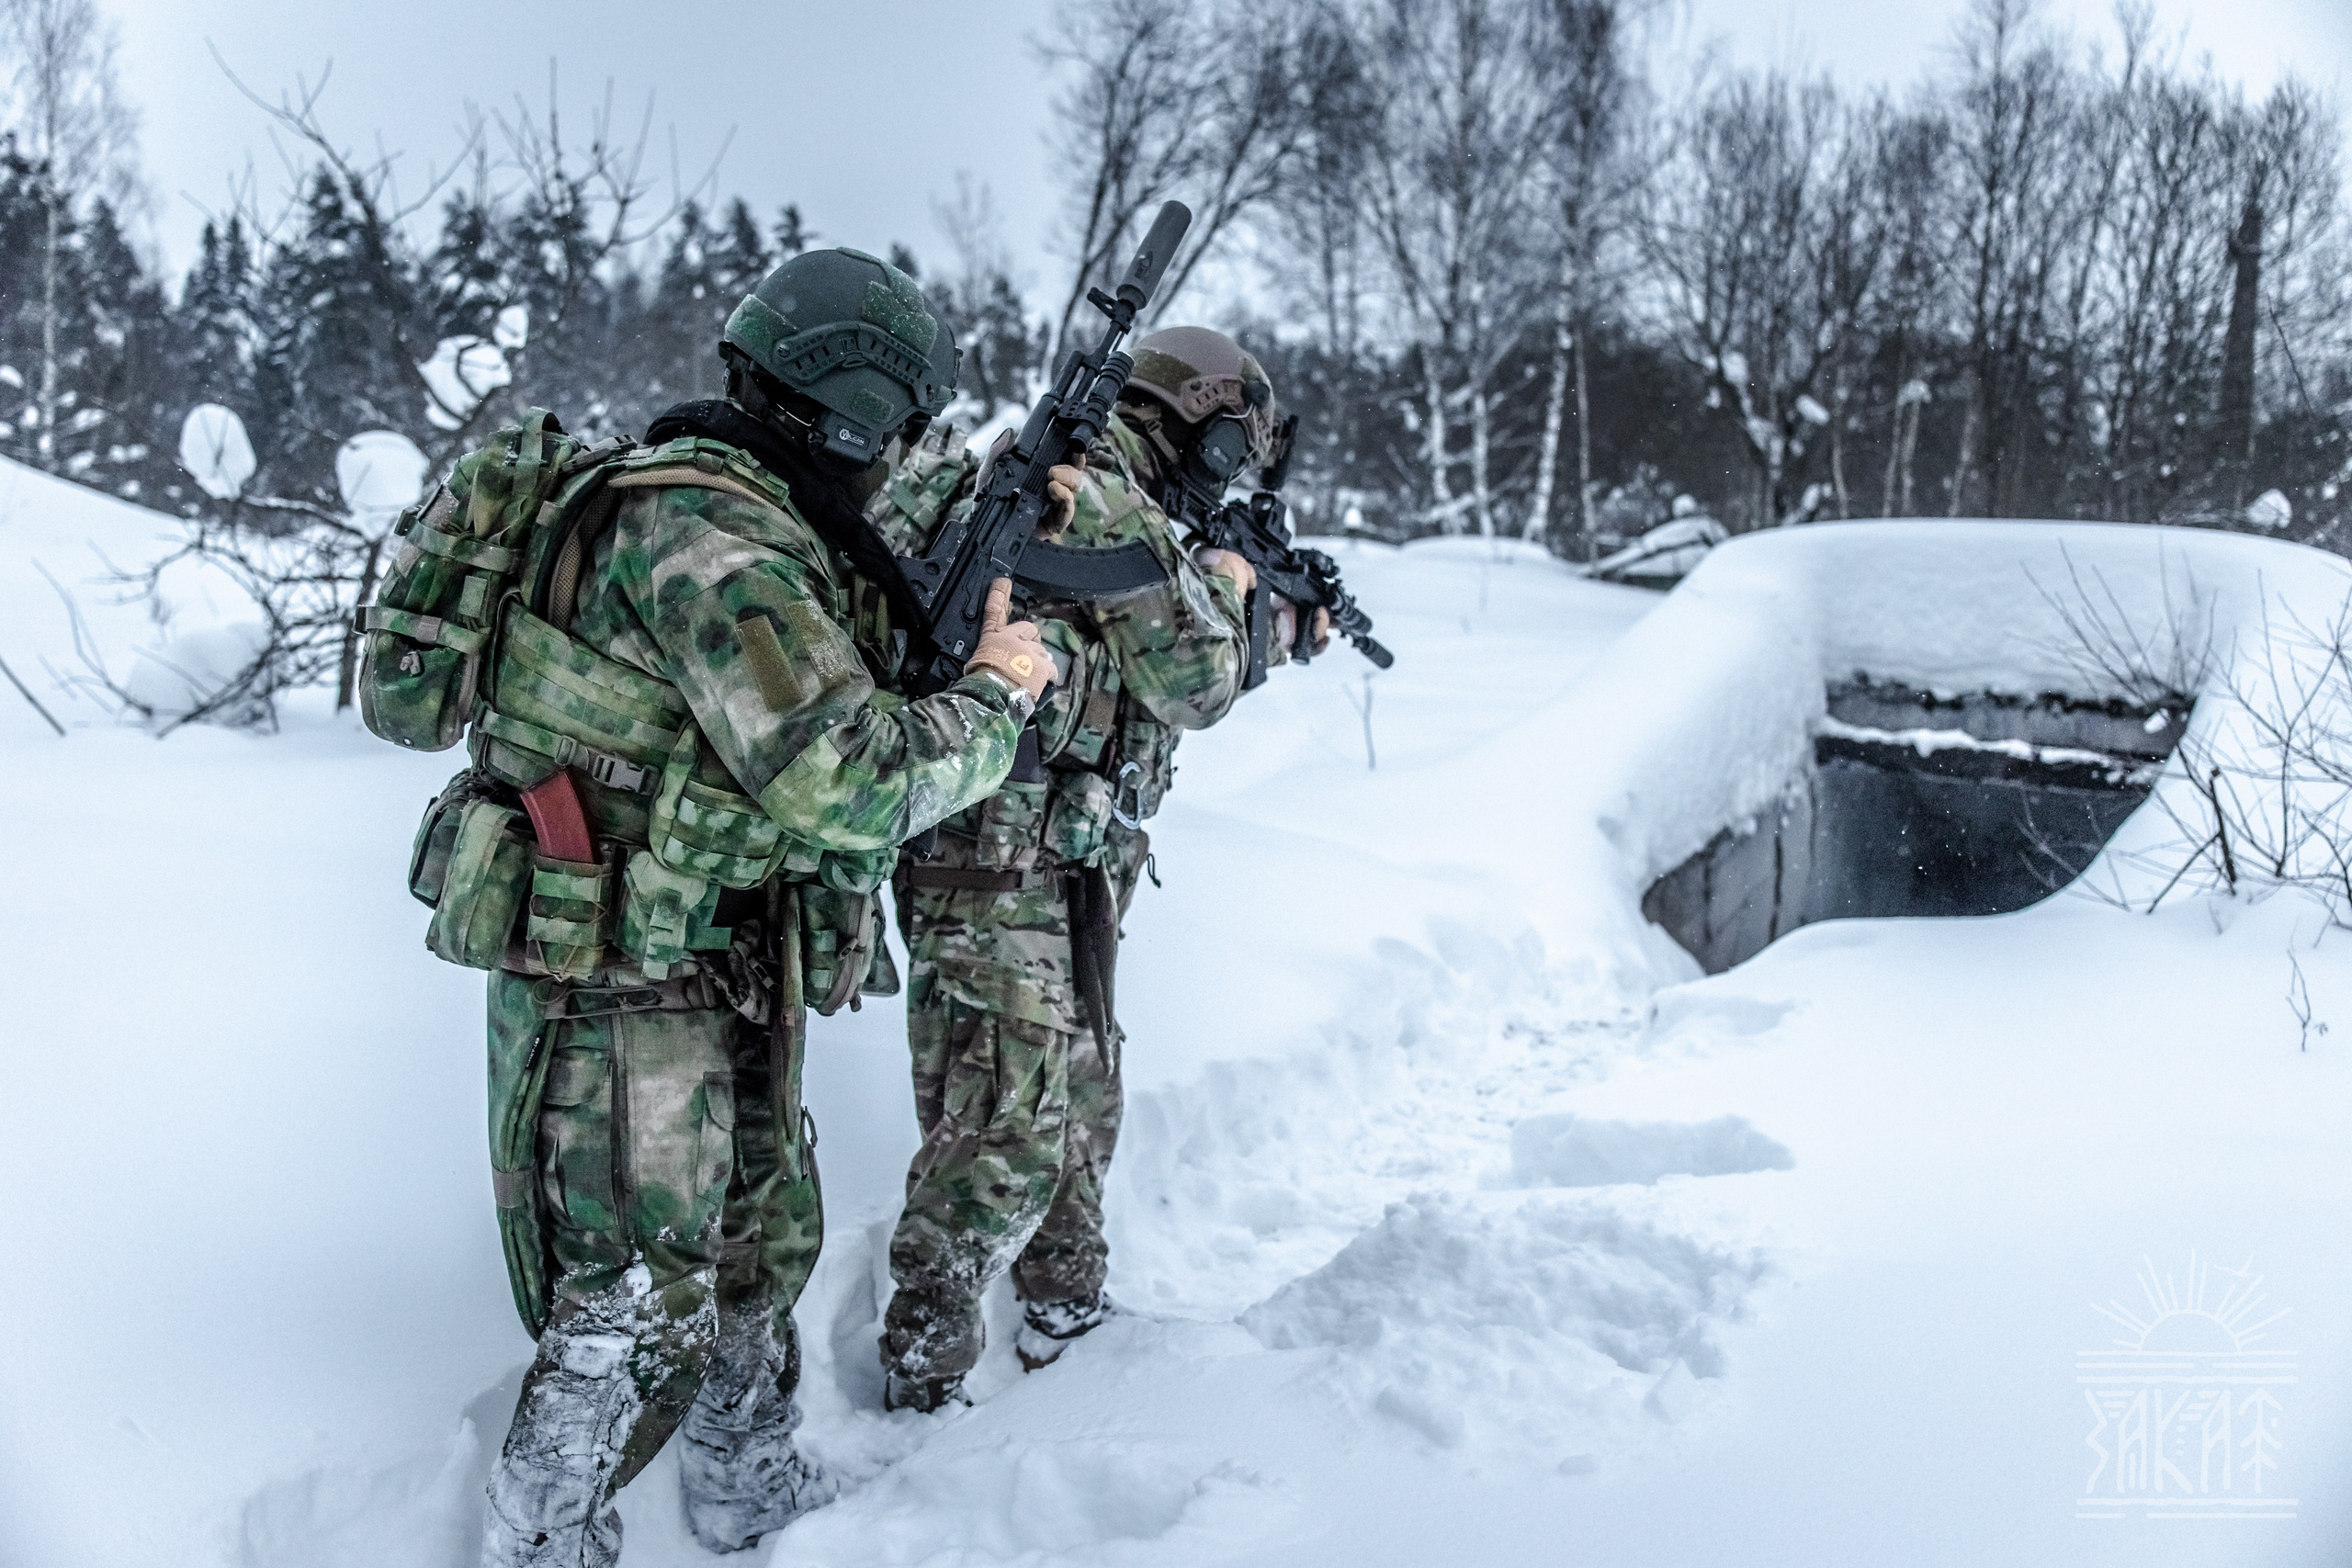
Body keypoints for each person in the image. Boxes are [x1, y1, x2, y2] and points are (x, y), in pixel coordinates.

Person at [435, 248, 1053, 1566]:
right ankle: (540, 1542)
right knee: (629, 1298)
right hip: (621, 978)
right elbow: (845, 775)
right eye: (900, 429)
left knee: (755, 1252)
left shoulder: (760, 520)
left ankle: (743, 1492)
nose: (897, 455)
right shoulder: (710, 540)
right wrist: (998, 693)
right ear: (853, 410)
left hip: (715, 956)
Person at [865, 325, 1324, 1413]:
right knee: (1003, 1131)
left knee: (1076, 1104)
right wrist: (1220, 591)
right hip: (994, 866)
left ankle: (1064, 1312)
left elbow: (1147, 675)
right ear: (1201, 428)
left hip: (1060, 858)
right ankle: (922, 1373)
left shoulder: (1118, 499)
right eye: (1234, 441)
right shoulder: (1090, 491)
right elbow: (1195, 680)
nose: (1237, 466)